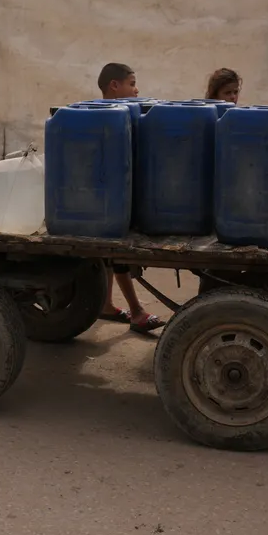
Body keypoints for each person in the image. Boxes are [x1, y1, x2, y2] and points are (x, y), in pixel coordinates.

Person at [93, 63, 165, 334]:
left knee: (108, 257)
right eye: (132, 83)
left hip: (109, 196)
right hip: (111, 198)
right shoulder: (107, 117)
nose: (137, 89)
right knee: (117, 255)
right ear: (114, 85)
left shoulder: (116, 115)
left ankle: (107, 305)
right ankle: (136, 311)